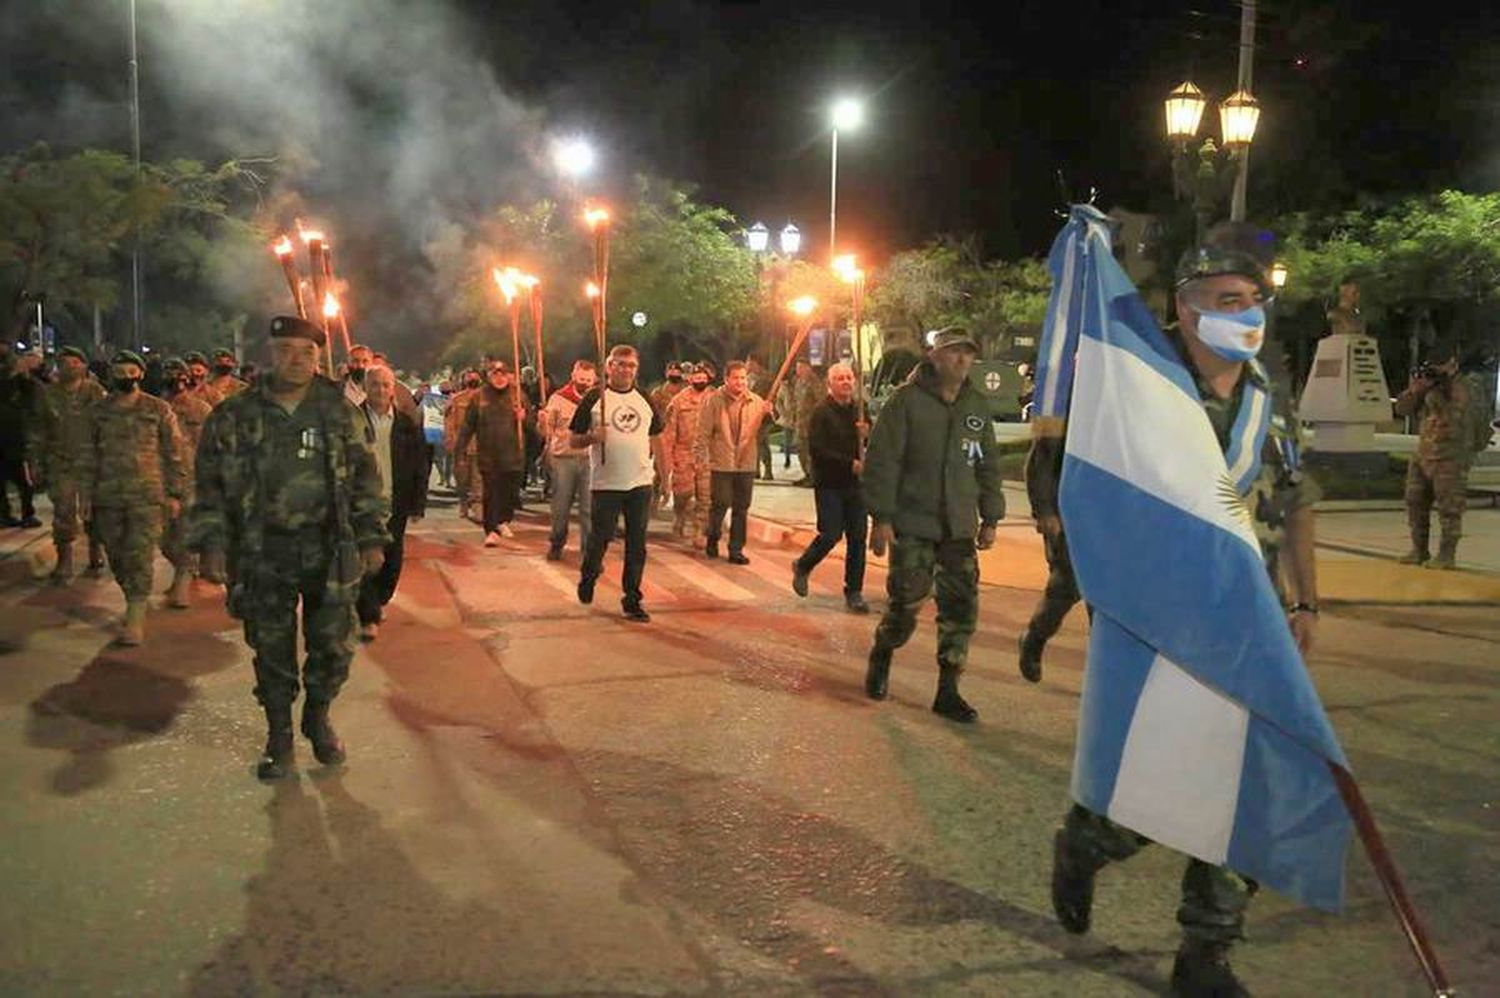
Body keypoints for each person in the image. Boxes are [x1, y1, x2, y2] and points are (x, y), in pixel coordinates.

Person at [1050, 237, 1323, 996]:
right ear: (1185, 305)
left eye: (1255, 299)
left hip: (1254, 622)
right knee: (1165, 780)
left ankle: (1205, 954)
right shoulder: (1145, 388)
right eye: (1228, 299)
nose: (1248, 314)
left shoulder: (1271, 394)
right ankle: (1091, 838)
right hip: (1161, 618)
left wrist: (1305, 601)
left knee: (1248, 787)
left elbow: (1297, 501)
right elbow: (1093, 498)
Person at [190, 315, 389, 781]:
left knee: (334, 647)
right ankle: (278, 735)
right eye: (285, 350)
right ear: (269, 353)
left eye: (307, 352)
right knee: (271, 648)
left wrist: (371, 536)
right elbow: (209, 484)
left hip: (329, 549)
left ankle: (317, 716)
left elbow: (367, 478)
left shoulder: (339, 410)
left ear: (319, 357)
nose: (296, 361)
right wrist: (212, 545)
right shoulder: (236, 414)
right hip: (262, 552)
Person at [861, 327, 1005, 723]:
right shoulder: (905, 402)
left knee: (961, 612)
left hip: (958, 529)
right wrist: (882, 518)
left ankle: (948, 690)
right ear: (935, 357)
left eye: (967, 353)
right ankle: (884, 649)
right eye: (953, 352)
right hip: (913, 525)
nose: (961, 360)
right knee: (906, 607)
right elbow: (882, 461)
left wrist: (991, 516)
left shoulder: (975, 405)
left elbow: (987, 464)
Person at [85, 350, 187, 646]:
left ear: (140, 374)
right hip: (107, 495)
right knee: (116, 554)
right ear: (111, 375)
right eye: (120, 372)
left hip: (148, 495)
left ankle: (135, 615)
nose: (126, 377)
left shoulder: (158, 409)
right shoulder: (98, 411)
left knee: (139, 553)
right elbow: (87, 454)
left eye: (132, 371)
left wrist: (175, 492)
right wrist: (85, 493)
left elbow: (174, 452)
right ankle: (132, 595)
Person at [572, 344, 666, 623]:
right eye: (620, 364)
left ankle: (633, 599)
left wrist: (666, 473)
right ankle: (589, 576)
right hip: (606, 483)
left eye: (631, 365)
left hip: (640, 482)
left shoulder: (645, 399)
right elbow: (572, 439)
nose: (625, 370)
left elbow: (658, 439)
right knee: (599, 539)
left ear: (637, 369)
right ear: (608, 367)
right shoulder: (594, 398)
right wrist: (592, 438)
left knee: (636, 545)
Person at [790, 363, 869, 612]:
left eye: (849, 377)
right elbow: (818, 450)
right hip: (830, 484)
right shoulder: (821, 413)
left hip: (856, 486)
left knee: (857, 538)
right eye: (840, 378)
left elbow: (873, 442)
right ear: (830, 384)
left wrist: (867, 434)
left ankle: (854, 590)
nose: (846, 382)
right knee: (831, 533)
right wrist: (849, 464)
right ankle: (804, 565)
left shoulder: (860, 411)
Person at [356, 365, 427, 641]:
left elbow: (420, 465)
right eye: (375, 385)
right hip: (363, 502)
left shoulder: (406, 424)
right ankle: (368, 614)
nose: (381, 391)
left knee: (392, 555)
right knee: (366, 557)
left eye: (386, 385)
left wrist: (417, 502)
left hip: (395, 498)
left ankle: (379, 600)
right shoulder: (352, 421)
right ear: (366, 387)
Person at [1394, 347, 1475, 569]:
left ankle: (1446, 555)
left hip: (1449, 457)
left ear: (1453, 364)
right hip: (1423, 454)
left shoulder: (1462, 387)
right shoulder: (1428, 386)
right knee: (1415, 502)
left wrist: (1441, 392)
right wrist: (1415, 390)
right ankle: (1419, 550)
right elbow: (1402, 409)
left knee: (1449, 508)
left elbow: (1457, 420)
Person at [32, 347, 106, 580]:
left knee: (94, 510)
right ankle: (65, 560)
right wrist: (34, 460)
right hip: (60, 462)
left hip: (92, 463)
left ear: (84, 366)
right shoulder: (48, 394)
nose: (71, 366)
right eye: (65, 363)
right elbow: (38, 430)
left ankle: (96, 551)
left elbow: (108, 426)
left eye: (76, 362)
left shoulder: (96, 392)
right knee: (63, 511)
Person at [1017, 429, 1079, 682]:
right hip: (1069, 514)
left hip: (1113, 515)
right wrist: (1044, 511)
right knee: (1066, 587)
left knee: (1108, 599)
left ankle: (1105, 674)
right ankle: (1035, 637)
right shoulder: (1068, 410)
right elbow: (1041, 461)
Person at [696, 360, 773, 564]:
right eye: (736, 378)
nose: (740, 382)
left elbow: (766, 429)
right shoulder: (714, 400)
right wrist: (701, 458)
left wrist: (768, 413)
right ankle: (713, 536)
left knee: (741, 507)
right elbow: (703, 432)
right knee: (720, 503)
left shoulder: (756, 401)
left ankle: (736, 549)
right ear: (726, 379)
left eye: (743, 378)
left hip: (746, 462)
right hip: (722, 462)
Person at [454, 360, 532, 546]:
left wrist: (524, 418)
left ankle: (503, 520)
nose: (499, 378)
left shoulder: (518, 396)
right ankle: (490, 529)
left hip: (514, 454)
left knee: (510, 493)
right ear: (488, 377)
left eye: (503, 374)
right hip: (488, 454)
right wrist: (460, 450)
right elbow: (467, 427)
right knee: (490, 493)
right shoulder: (479, 397)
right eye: (495, 374)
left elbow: (532, 426)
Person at [159, 357, 215, 609]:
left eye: (180, 375)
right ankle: (182, 570)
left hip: (193, 478)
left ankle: (183, 580)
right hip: (160, 478)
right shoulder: (156, 408)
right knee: (163, 539)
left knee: (184, 533)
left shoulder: (202, 410)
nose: (177, 381)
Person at [541, 359, 597, 560]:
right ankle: (557, 542)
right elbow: (547, 430)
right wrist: (542, 423)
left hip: (590, 459)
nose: (585, 383)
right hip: (564, 458)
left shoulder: (600, 399)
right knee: (561, 506)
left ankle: (589, 552)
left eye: (589, 379)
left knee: (589, 509)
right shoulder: (558, 399)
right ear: (573, 376)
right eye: (581, 378)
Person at [660, 362, 713, 541]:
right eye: (697, 377)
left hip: (707, 454)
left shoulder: (715, 398)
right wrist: (667, 457)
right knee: (683, 493)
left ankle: (699, 530)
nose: (700, 380)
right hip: (683, 453)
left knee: (705, 496)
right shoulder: (679, 401)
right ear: (690, 379)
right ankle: (679, 518)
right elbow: (669, 431)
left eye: (703, 377)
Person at [0, 345, 43, 529]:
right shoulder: (8, 377)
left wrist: (23, 375)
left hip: (14, 437)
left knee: (23, 480)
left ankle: (27, 513)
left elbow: (31, 395)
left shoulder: (24, 381)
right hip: (8, 435)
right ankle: (5, 514)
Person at [446, 369, 484, 521]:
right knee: (462, 478)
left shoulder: (485, 399)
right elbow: (449, 422)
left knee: (478, 478)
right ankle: (463, 502)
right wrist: (450, 440)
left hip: (480, 444)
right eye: (469, 377)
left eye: (475, 376)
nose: (472, 379)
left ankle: (477, 505)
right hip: (461, 445)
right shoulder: (456, 400)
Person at [793, 359, 824, 486]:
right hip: (800, 423)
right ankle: (806, 474)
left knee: (811, 452)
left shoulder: (815, 383)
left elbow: (821, 401)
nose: (798, 370)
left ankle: (813, 477)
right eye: (797, 367)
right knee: (801, 450)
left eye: (801, 367)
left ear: (808, 368)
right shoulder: (799, 382)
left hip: (811, 423)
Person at [747, 357, 776, 480]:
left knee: (758, 443)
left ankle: (759, 470)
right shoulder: (748, 378)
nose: (747, 366)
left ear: (756, 364)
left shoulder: (767, 379)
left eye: (750, 363)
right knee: (762, 444)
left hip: (764, 416)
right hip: (751, 415)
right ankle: (763, 471)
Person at [418, 382, 450, 487]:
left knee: (439, 458)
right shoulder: (417, 402)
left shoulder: (436, 400)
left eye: (427, 389)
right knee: (426, 461)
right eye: (423, 389)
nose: (425, 391)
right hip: (422, 435)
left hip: (436, 433)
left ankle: (444, 477)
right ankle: (424, 482)